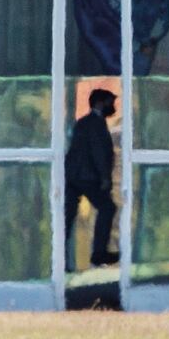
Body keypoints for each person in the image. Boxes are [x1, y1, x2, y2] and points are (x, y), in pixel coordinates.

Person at [65, 88, 120, 268]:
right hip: (88, 177)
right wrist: (104, 177)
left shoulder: (84, 122)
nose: (113, 106)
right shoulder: (95, 123)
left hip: (75, 176)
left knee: (67, 217)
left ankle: (60, 259)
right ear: (99, 103)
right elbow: (98, 152)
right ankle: (99, 253)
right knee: (107, 208)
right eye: (110, 102)